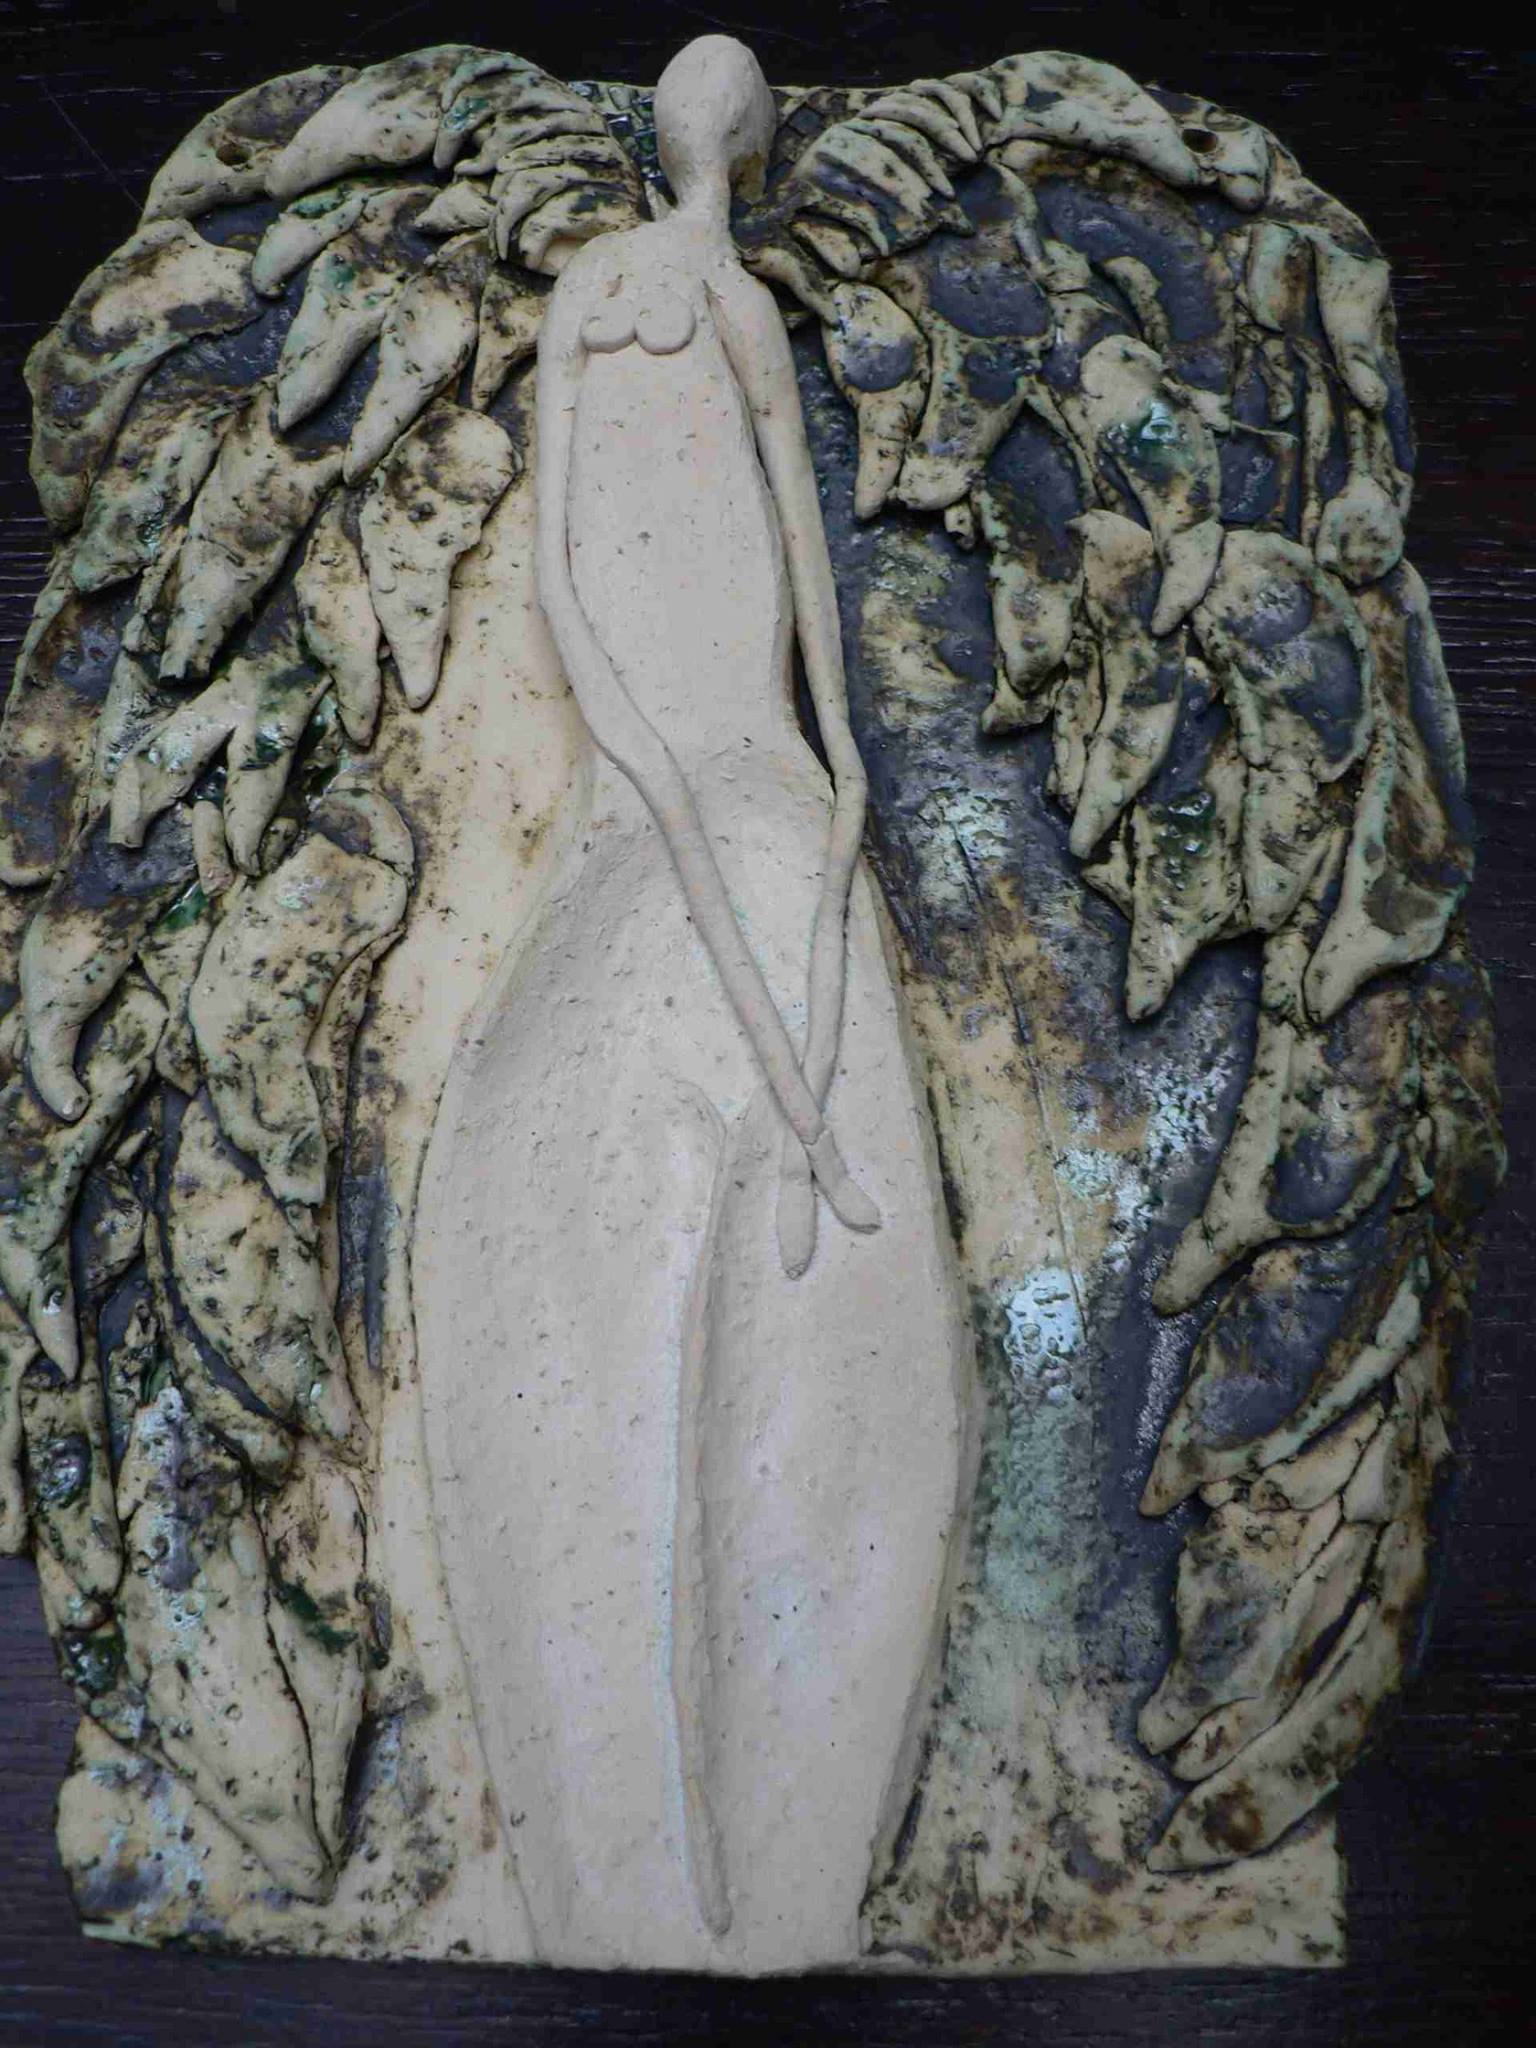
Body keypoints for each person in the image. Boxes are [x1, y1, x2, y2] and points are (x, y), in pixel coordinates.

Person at [414, 35, 970, 1972]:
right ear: (732, 141)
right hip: (668, 757)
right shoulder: (640, 292)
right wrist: (659, 746)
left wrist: (830, 753)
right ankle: (661, 1860)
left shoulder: (699, 296)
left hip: (730, 749)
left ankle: (751, 1857)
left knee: (808, 1225)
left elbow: (796, 542)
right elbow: (583, 555)